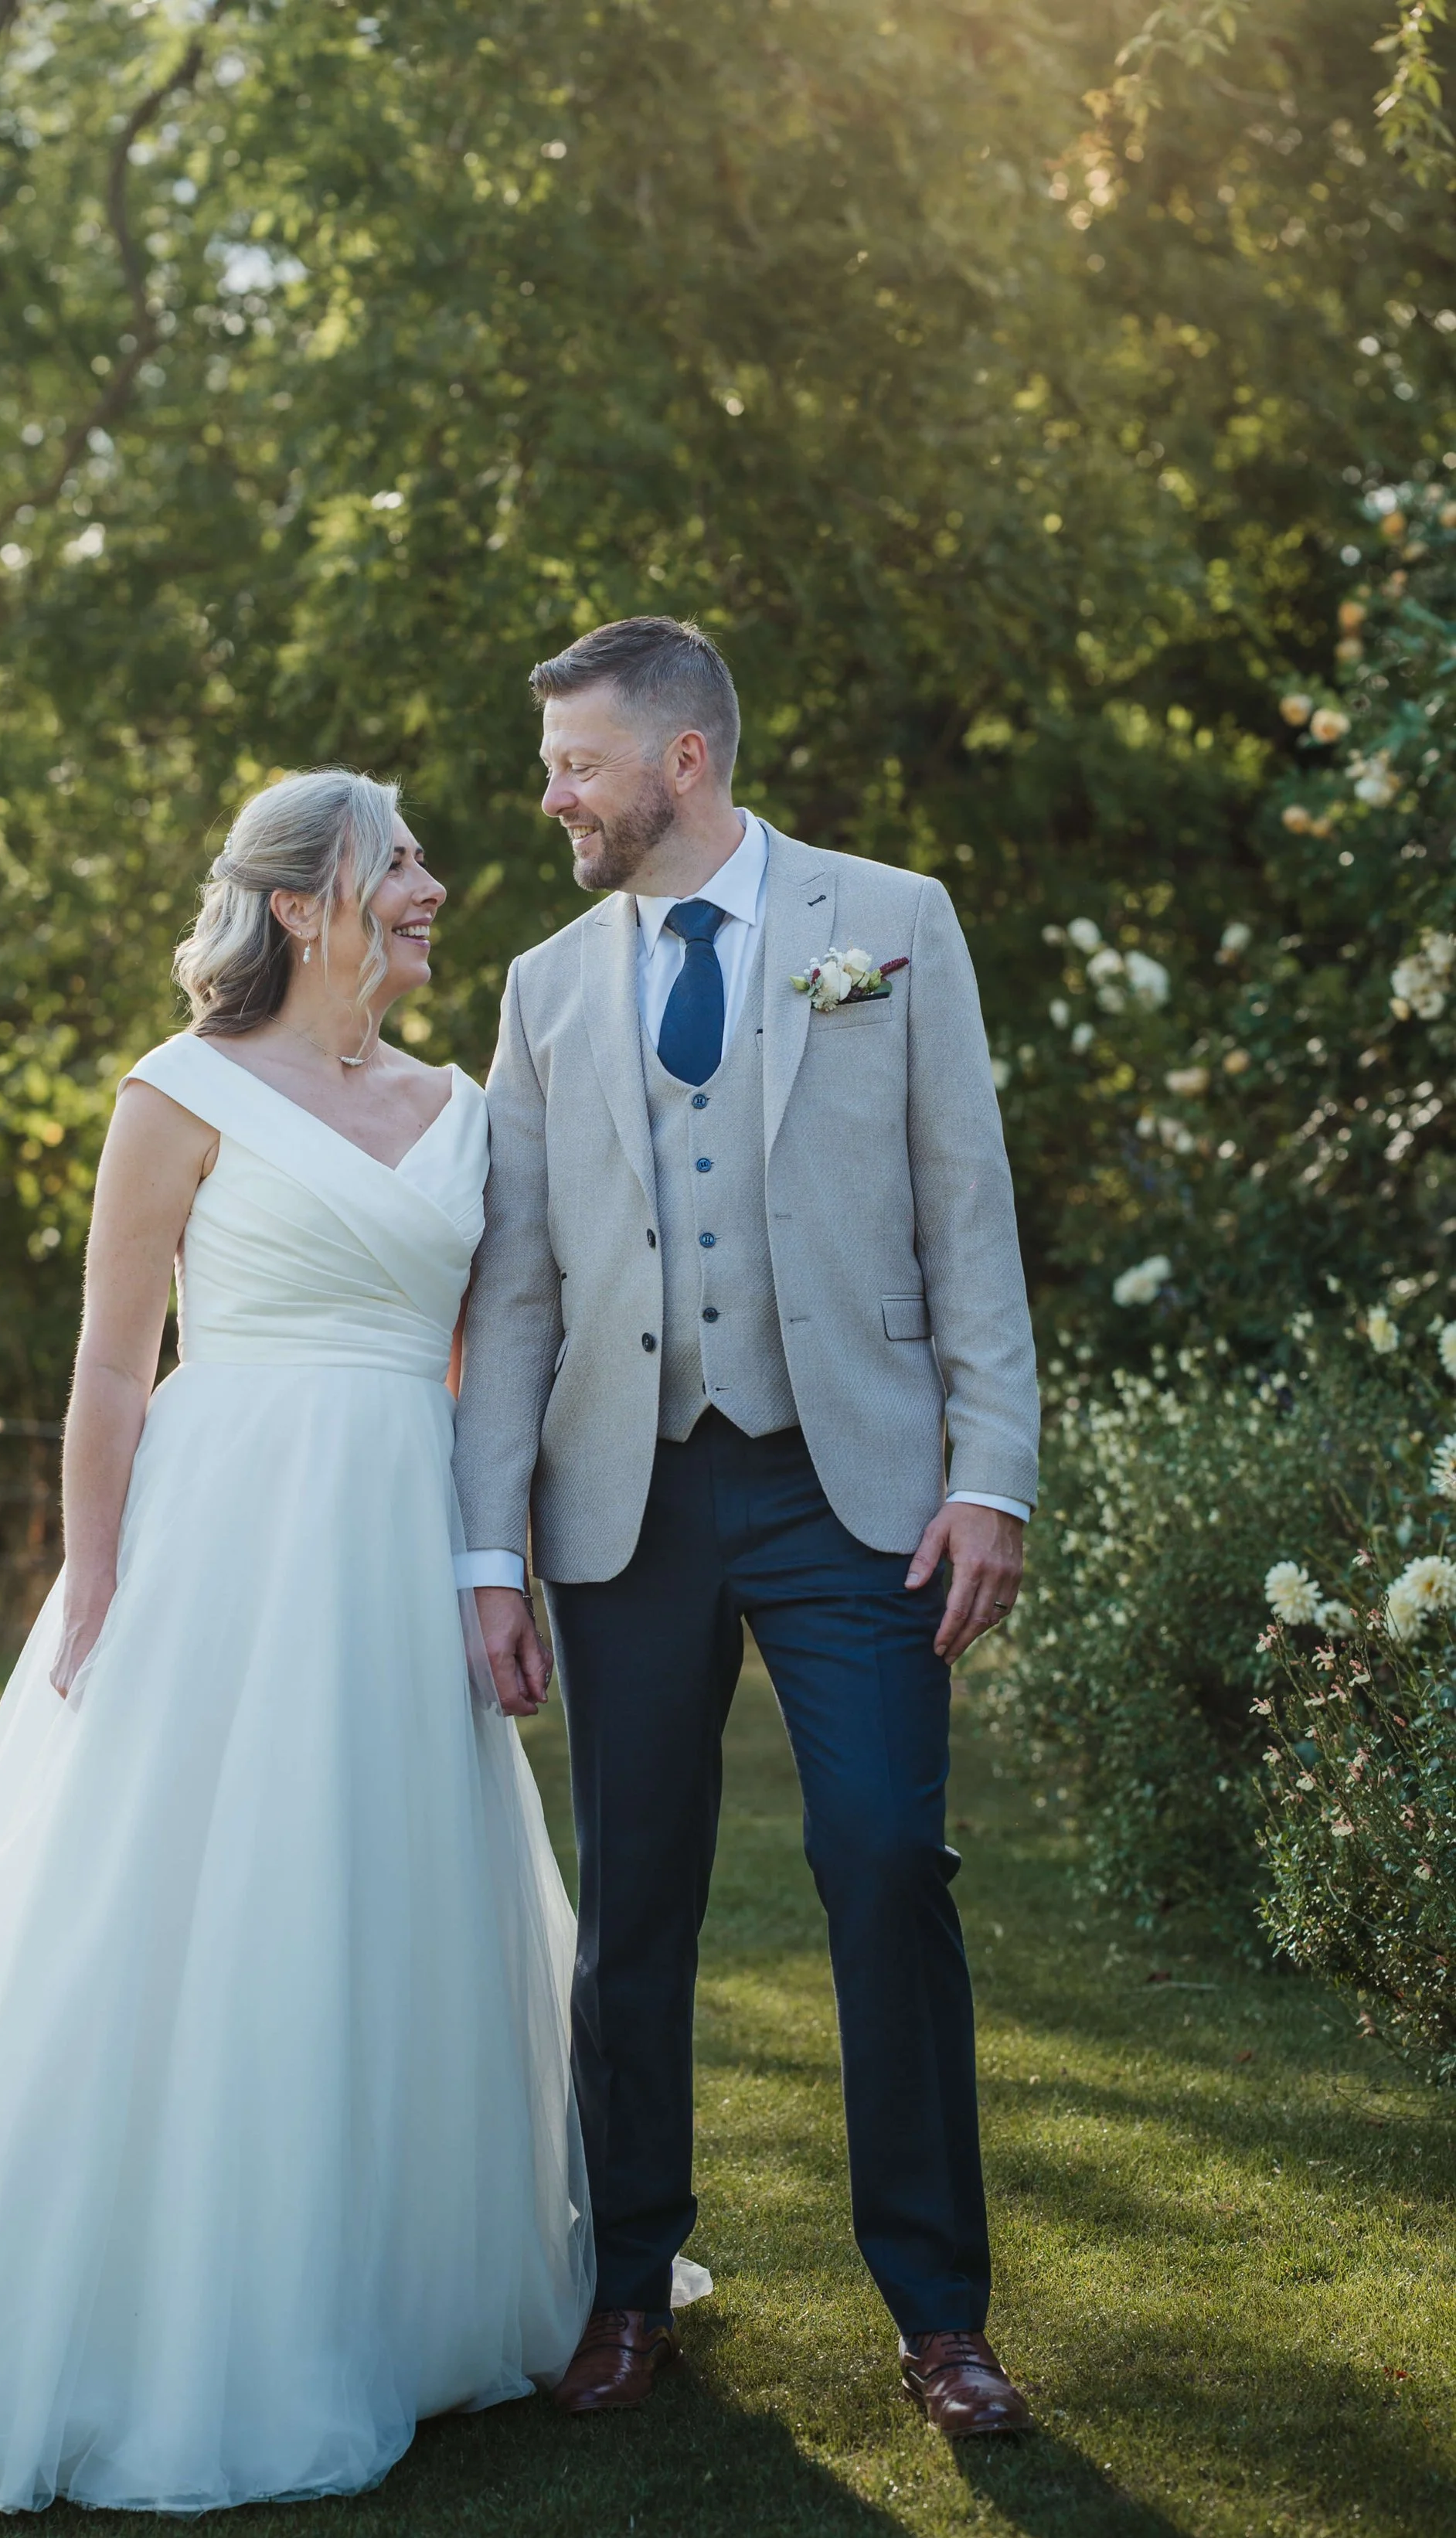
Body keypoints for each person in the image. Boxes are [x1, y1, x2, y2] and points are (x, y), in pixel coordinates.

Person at [0, 769, 595, 2514]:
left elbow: (493, 1357)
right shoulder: (175, 1094)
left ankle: (387, 2294)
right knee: (181, 1892)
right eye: (396, 865)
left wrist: (493, 1557)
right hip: (220, 1528)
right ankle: (141, 2308)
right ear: (307, 898)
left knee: (382, 1888)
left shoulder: (468, 1106)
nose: (430, 886)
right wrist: (95, 1571)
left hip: (395, 1531)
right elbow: (109, 1362)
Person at [454, 617, 1040, 2437]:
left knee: (884, 1866)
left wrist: (988, 1470)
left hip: (845, 1484)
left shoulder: (890, 921)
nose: (550, 793)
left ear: (680, 760)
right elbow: (522, 1293)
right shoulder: (544, 985)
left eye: (573, 762)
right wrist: (491, 1548)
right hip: (621, 1498)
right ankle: (628, 2288)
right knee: (634, 1909)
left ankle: (938, 2315)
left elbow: (966, 1206)